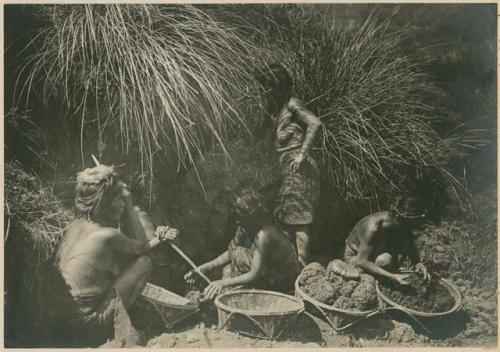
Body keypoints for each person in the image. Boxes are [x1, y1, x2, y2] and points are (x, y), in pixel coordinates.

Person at [55, 165, 178, 346]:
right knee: (144, 262)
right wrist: (129, 206)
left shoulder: (76, 225)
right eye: (119, 199)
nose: (122, 203)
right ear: (104, 202)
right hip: (90, 323)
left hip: (64, 318)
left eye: (123, 199)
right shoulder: (107, 235)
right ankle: (118, 323)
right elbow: (143, 247)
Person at [255, 63, 322, 267]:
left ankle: (302, 269)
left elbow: (315, 123)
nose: (266, 91)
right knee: (285, 217)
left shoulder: (292, 104)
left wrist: (302, 154)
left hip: (299, 169)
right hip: (286, 171)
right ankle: (289, 265)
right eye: (265, 86)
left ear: (280, 86)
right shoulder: (276, 109)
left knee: (299, 220)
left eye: (270, 86)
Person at [184, 189, 301, 299]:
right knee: (230, 265)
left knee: (230, 278)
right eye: (235, 216)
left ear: (253, 215)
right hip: (266, 270)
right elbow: (232, 253)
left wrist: (222, 283)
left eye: (239, 216)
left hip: (283, 278)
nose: (236, 221)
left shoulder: (264, 235)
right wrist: (203, 268)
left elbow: (254, 274)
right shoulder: (245, 226)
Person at [343, 196, 430, 285]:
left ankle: (385, 273)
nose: (420, 223)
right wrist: (392, 276)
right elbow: (361, 261)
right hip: (356, 257)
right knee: (385, 260)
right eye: (417, 220)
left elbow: (410, 244)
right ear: (405, 218)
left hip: (377, 250)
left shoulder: (402, 223)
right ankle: (382, 279)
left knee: (399, 254)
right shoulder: (373, 227)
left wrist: (417, 262)